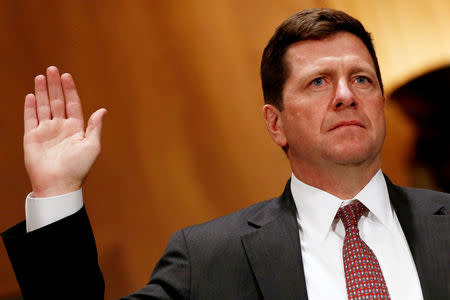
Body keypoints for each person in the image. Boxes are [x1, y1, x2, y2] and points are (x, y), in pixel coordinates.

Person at [2, 8, 449, 300]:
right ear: (276, 124)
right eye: (318, 82)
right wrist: (57, 191)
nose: (345, 96)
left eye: (362, 79)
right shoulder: (208, 258)